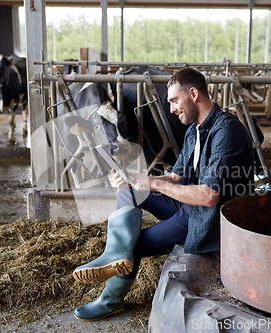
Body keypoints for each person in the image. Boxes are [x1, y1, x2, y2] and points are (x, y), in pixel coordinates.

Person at [71, 67, 255, 321]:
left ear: (193, 94)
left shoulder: (226, 131)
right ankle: (115, 254)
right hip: (188, 207)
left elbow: (209, 196)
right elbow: (176, 177)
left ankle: (110, 299)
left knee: (132, 244)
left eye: (174, 101)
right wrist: (137, 179)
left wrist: (153, 184)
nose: (171, 109)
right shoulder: (195, 130)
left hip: (207, 220)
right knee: (130, 190)